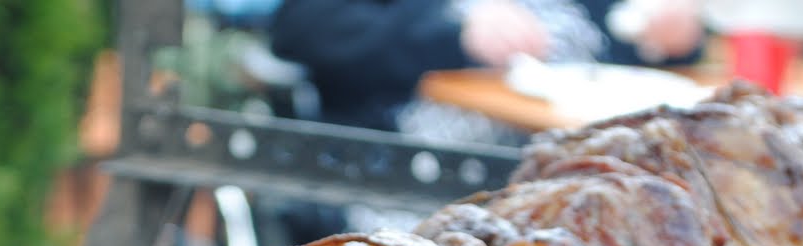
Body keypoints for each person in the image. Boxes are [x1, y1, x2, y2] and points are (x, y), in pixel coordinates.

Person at [269, 0, 703, 133]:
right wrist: (451, 33)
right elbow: (301, 29)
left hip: (582, 163)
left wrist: (673, 37)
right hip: (420, 175)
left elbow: (615, 38)